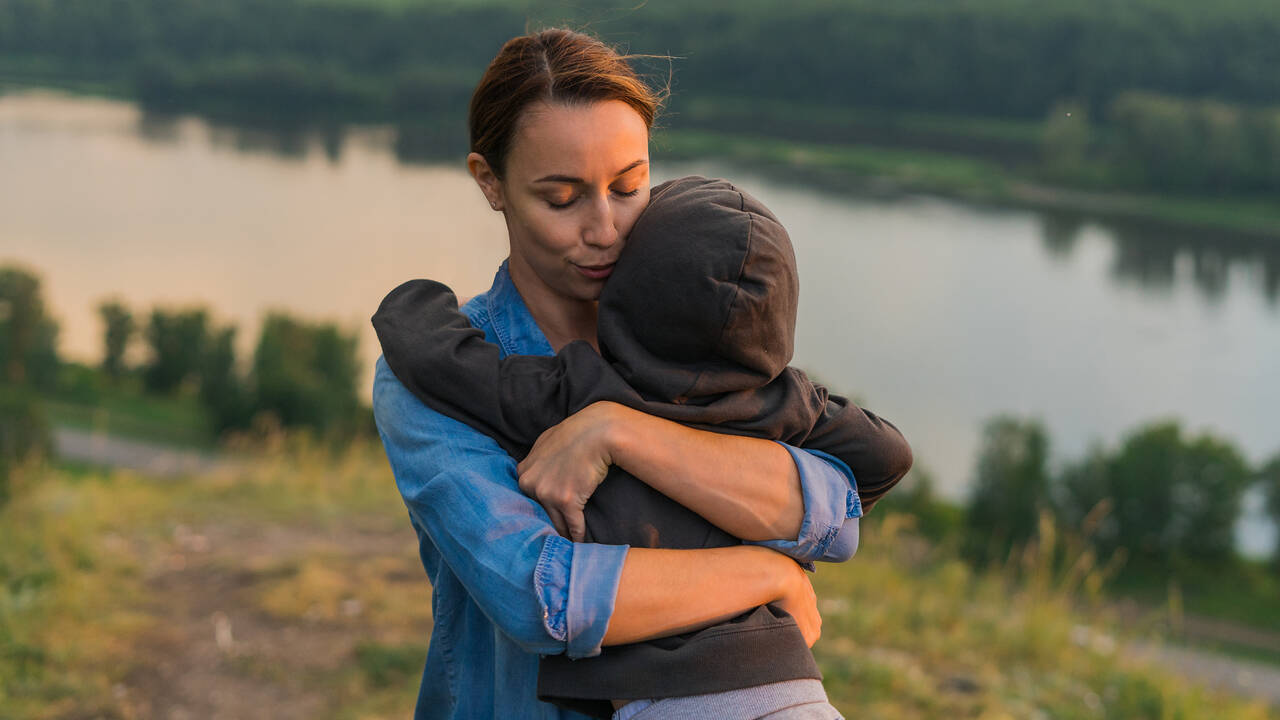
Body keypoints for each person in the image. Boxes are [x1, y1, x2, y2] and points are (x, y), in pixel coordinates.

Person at [370, 28, 907, 720]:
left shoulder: (692, 324)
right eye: (562, 199)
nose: (607, 229)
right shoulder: (433, 382)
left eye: (628, 187)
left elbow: (833, 509)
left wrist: (619, 433)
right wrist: (764, 572)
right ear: (490, 183)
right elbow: (540, 596)